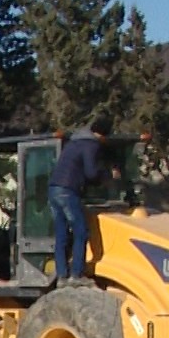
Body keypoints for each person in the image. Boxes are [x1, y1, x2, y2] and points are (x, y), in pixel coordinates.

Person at [46, 116, 119, 285]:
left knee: (62, 234)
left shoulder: (73, 143)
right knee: (81, 231)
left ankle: (62, 275)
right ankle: (77, 275)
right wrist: (109, 175)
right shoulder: (90, 145)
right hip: (68, 191)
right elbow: (91, 173)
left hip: (54, 190)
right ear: (102, 135)